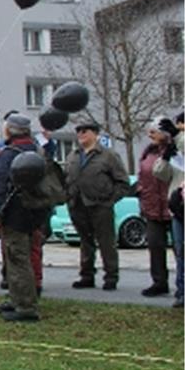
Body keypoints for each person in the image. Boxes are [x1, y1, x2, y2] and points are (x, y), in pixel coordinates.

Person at [0, 114, 43, 322]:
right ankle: (17, 299)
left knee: (16, 259)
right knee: (23, 257)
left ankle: (25, 307)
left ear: (9, 130)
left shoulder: (8, 154)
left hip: (13, 216)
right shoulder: (37, 151)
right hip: (33, 214)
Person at [65, 121, 130, 291]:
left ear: (95, 134)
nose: (80, 134)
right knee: (85, 241)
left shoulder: (108, 156)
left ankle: (111, 276)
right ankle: (86, 275)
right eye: (78, 131)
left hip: (100, 205)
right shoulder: (73, 155)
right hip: (78, 204)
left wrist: (110, 200)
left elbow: (123, 182)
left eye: (84, 130)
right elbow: (67, 178)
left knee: (106, 242)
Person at [137, 117, 177, 296]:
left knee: (180, 246)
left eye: (155, 130)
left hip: (174, 206)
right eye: (149, 130)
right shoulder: (148, 152)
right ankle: (159, 282)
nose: (150, 134)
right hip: (152, 206)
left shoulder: (177, 150)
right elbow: (142, 177)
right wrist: (142, 193)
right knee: (155, 245)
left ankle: (182, 284)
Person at [152, 111, 184, 307]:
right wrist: (166, 154)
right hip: (179, 206)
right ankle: (182, 290)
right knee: (181, 251)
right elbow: (160, 173)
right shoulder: (177, 150)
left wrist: (177, 137)